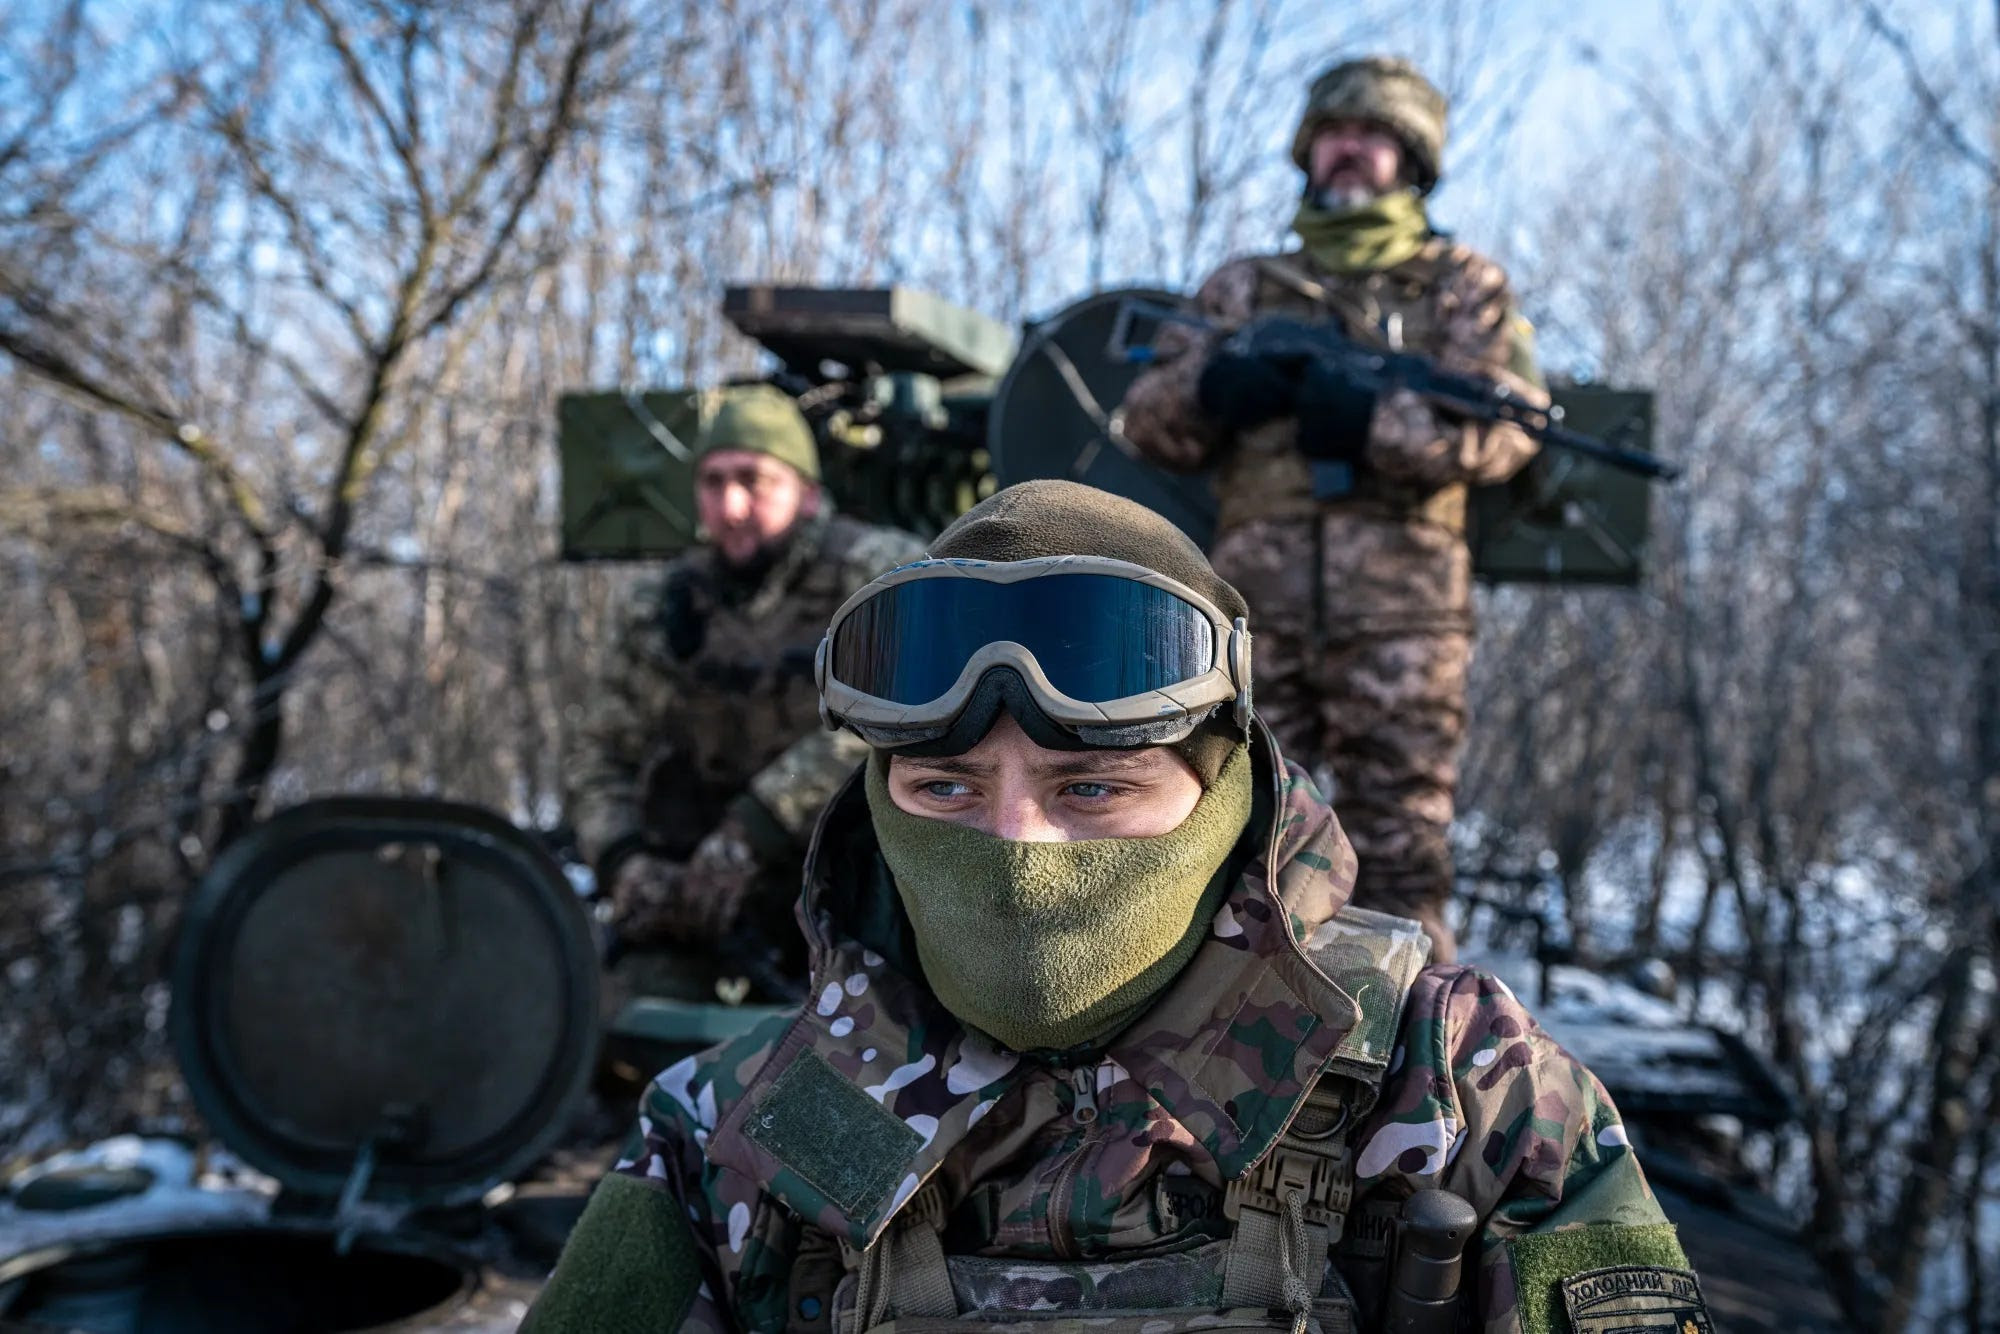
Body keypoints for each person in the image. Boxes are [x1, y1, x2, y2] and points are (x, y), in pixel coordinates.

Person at [525, 481, 1707, 1334]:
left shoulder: (1454, 1087)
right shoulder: (737, 1131)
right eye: (943, 786)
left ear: (1220, 788)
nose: (1013, 844)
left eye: (1090, 785)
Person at [1119, 57, 1549, 961]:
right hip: (1254, 617)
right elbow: (1145, 421)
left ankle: (1417, 1074)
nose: (1352, 149)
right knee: (1247, 840)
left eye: (1377, 135)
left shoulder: (1460, 285)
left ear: (1415, 157)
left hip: (1404, 617)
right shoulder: (1243, 286)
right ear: (1308, 149)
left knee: (1401, 855)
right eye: (1336, 132)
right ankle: (1247, 1062)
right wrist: (1216, 390)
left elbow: (1512, 432)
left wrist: (1376, 422)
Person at [568, 383, 924, 997]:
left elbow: (894, 717)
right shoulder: (660, 606)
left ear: (808, 494)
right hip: (703, 902)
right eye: (713, 483)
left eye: (754, 481)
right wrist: (624, 861)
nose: (731, 506)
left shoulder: (878, 575)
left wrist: (753, 829)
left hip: (861, 892)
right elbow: (599, 753)